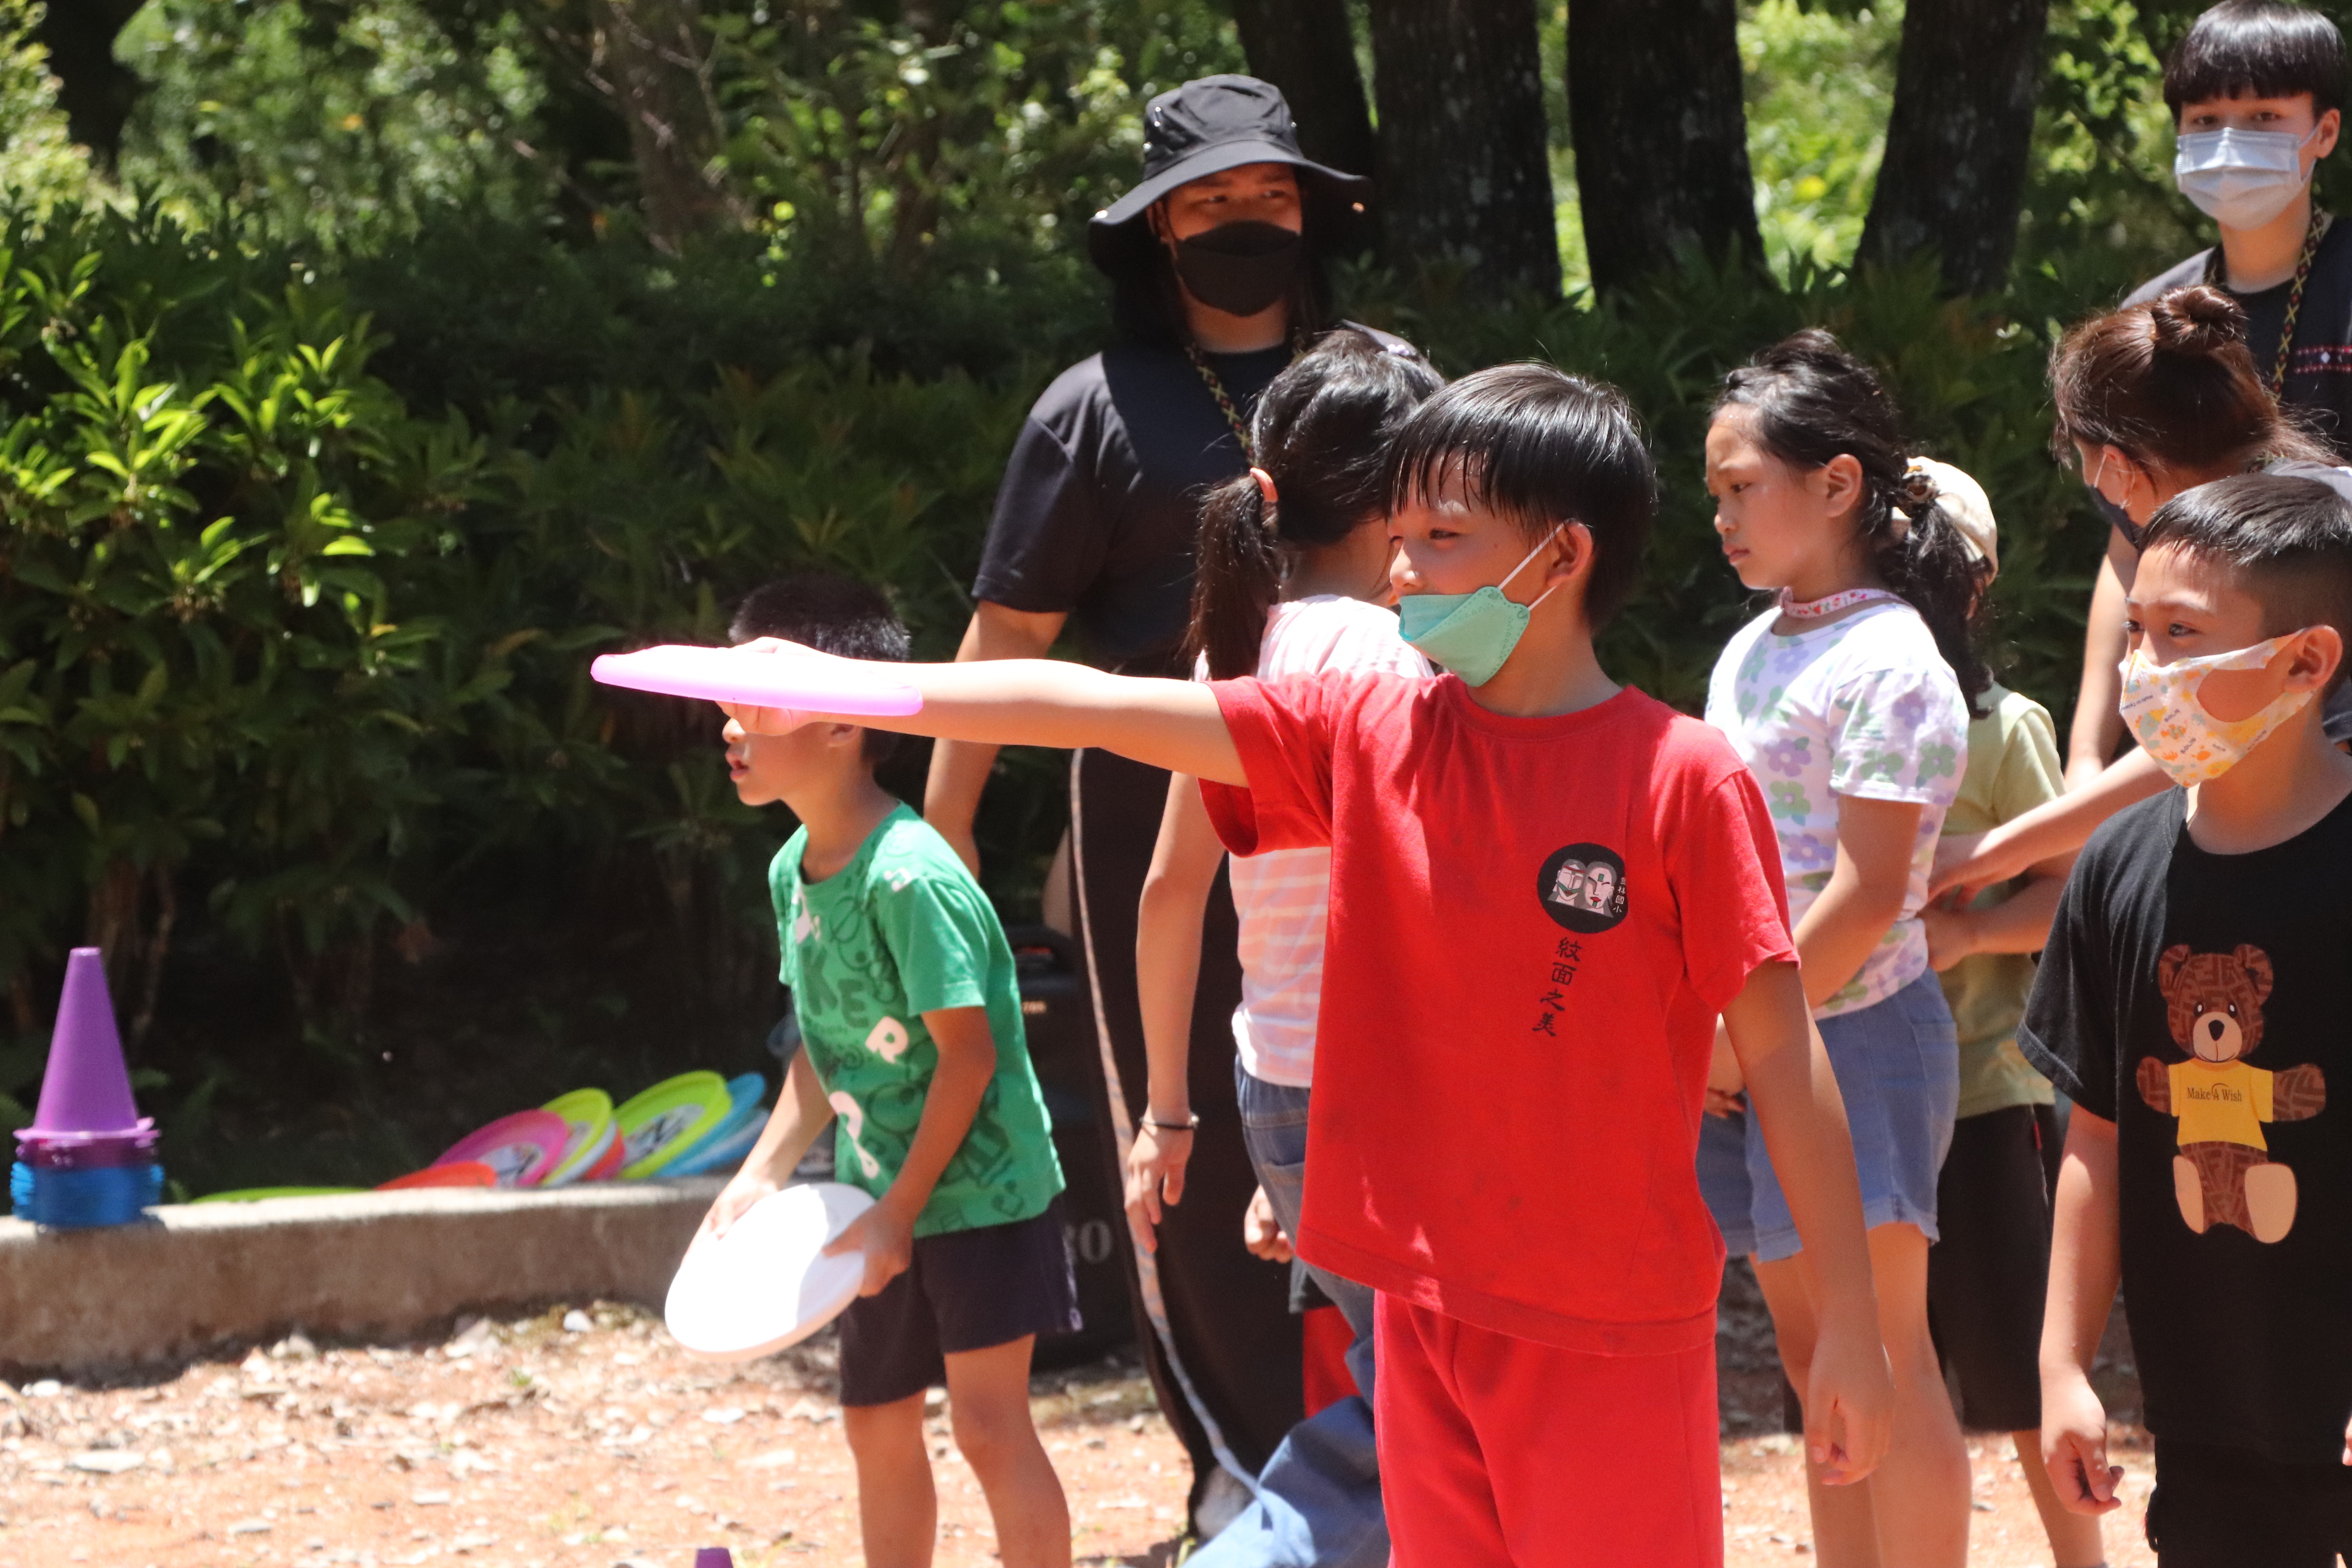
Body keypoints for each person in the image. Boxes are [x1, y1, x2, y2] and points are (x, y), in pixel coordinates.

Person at [721, 361, 1896, 1566]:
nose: (1403, 570)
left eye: (1442, 538)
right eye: (1400, 535)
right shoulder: (1368, 734)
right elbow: (1086, 707)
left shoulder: (1684, 777)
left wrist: (1852, 1328)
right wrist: (859, 689)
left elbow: (1781, 1053)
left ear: (1563, 555)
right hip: (1419, 1311)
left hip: (1608, 1326)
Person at [921, 73, 1396, 1526]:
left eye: (1270, 193)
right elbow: (1005, 640)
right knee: (1190, 1131)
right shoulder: (1092, 407)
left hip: (1378, 782)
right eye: (1211, 199)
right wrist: (938, 839)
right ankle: (1241, 1472)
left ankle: (1401, 1457)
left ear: (1311, 213)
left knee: (1387, 1105)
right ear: (1158, 230)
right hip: (1156, 791)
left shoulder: (1382, 383)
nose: (1245, 218)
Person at [1124, 330, 1442, 1568]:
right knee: (1420, 1422)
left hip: (1281, 1087)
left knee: (1401, 1398)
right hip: (1384, 1087)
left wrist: (1172, 1113)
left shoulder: (1237, 653)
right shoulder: (1396, 663)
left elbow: (1169, 891)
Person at [697, 575, 1079, 1568]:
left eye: (759, 703)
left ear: (843, 722)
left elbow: (970, 1056)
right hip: (873, 1199)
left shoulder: (910, 876)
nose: (731, 726)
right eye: (729, 699)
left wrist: (900, 1211)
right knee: (875, 1423)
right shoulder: (791, 869)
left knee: (989, 1426)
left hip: (982, 1193)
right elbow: (823, 1050)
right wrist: (761, 1172)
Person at [2026, 472, 2352, 1566]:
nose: (2144, 669)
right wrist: (2062, 1364)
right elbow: (2096, 1134)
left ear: (2306, 661)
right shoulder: (2118, 866)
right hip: (2209, 1416)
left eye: (2182, 635)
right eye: (2137, 631)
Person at [1699, 331, 1978, 1568]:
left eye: (1741, 487)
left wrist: (1735, 1038)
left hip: (1857, 1035)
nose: (1721, 517)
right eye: (1715, 492)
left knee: (1885, 1360)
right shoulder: (1752, 648)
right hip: (1761, 1044)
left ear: (1838, 484)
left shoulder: (1891, 658)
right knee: (1819, 1360)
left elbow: (1867, 895)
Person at [1934, 286, 2344, 896]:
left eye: (2179, 629)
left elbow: (2205, 731)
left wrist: (1990, 853)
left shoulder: (2295, 543)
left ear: (2118, 467)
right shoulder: (2287, 502)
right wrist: (2085, 757)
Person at [1900, 463, 2107, 1568]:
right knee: (1883, 1364)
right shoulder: (1814, 719)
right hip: (1853, 1089)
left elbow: (2071, 890)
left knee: (2024, 1364)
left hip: (1986, 1087)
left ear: (1974, 587)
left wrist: (1970, 933)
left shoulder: (2003, 727)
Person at [2067, 2, 2349, 790]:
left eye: (2263, 117)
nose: (2230, 143)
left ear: (2324, 131)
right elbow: (2131, 547)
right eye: (2205, 120)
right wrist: (2086, 752)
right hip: (2200, 730)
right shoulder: (2155, 316)